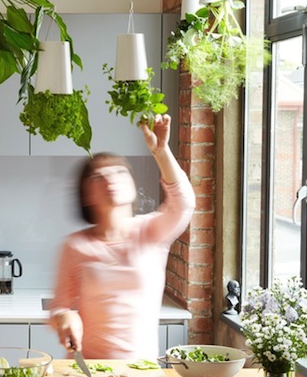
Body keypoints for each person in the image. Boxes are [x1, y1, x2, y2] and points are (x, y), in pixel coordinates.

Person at [48, 114, 196, 359]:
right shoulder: (75, 246)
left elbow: (184, 203)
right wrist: (65, 318)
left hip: (141, 374)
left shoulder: (151, 232)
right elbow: (59, 306)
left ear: (132, 184)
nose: (110, 179)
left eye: (119, 172)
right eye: (98, 176)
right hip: (88, 373)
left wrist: (161, 151)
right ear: (86, 195)